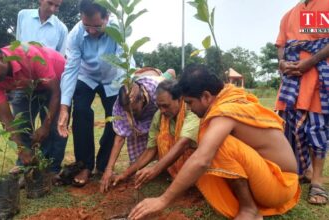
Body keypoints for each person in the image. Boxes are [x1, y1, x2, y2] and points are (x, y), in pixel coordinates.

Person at [129, 64, 301, 220]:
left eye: (189, 102)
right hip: (268, 176)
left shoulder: (224, 111)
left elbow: (202, 159)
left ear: (206, 96)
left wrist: (163, 200)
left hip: (281, 185)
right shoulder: (226, 99)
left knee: (216, 145)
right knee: (211, 144)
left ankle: (250, 210)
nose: (188, 108)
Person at [57, 0, 129, 187]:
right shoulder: (75, 34)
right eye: (86, 25)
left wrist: (126, 92)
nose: (91, 30)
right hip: (86, 76)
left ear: (107, 17)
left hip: (111, 78)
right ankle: (85, 165)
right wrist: (64, 108)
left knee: (115, 118)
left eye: (97, 25)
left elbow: (123, 62)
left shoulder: (117, 29)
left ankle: (104, 164)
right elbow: (71, 68)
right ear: (81, 18)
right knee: (80, 111)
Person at [100, 79, 199, 192]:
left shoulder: (191, 110)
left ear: (180, 99)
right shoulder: (159, 116)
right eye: (159, 106)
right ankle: (175, 172)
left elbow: (183, 144)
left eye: (166, 106)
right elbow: (150, 151)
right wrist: (125, 174)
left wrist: (155, 169)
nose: (162, 110)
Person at [275, 0, 329, 204]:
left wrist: (310, 61)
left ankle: (317, 181)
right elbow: (281, 44)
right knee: (291, 127)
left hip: (318, 78)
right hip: (292, 79)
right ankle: (302, 170)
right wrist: (282, 62)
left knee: (316, 128)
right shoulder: (289, 14)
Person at [0, 44, 63, 173]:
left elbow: (56, 92)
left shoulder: (30, 56)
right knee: (21, 122)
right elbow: (6, 117)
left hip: (56, 78)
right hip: (25, 84)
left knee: (54, 127)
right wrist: (21, 149)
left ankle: (52, 169)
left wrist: (45, 126)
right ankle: (25, 163)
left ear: (1, 57)